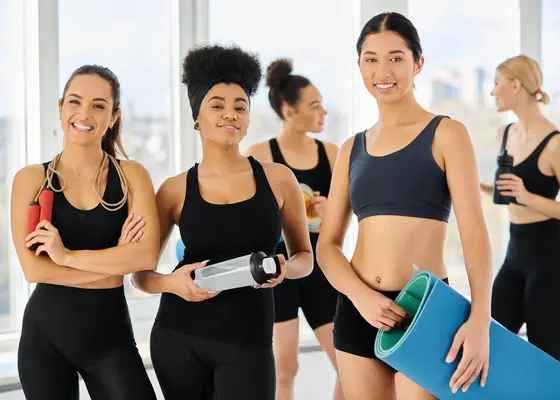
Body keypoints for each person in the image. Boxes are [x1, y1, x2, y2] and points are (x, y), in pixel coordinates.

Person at [316, 12, 493, 399]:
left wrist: (481, 319)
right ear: (360, 66)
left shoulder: (447, 134)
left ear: (418, 64)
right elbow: (327, 246)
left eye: (396, 57)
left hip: (424, 312)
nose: (384, 70)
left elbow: (474, 234)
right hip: (359, 309)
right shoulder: (351, 149)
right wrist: (362, 298)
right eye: (371, 58)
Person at [132, 44, 313, 400]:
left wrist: (283, 269)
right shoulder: (173, 190)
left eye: (239, 106)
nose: (230, 114)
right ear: (197, 115)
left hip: (249, 341)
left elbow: (304, 258)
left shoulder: (279, 179)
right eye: (217, 105)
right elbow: (141, 276)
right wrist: (172, 283)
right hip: (178, 337)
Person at [11, 65, 158, 400]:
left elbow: (145, 255)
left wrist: (66, 257)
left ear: (114, 116)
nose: (84, 114)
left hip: (110, 340)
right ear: (61, 107)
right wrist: (113, 265)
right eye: (75, 102)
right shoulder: (30, 180)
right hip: (44, 339)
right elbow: (35, 270)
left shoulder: (132, 176)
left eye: (98, 105)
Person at [481, 55, 560, 362]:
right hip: (515, 257)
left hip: (551, 262)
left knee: (545, 360)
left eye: (497, 83)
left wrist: (527, 196)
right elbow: (507, 193)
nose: (493, 92)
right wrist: (471, 185)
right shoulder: (506, 134)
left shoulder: (555, 144)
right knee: (487, 343)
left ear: (516, 86)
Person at [246, 58, 342, 400]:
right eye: (314, 106)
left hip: (320, 270)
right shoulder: (260, 155)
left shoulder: (332, 154)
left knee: (347, 362)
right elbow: (246, 218)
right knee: (284, 369)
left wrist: (330, 211)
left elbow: (348, 217)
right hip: (279, 271)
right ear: (289, 111)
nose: (323, 113)